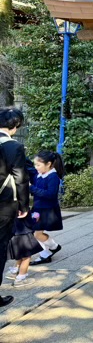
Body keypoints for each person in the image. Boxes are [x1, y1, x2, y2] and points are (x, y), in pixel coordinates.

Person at [0, 108, 31, 307]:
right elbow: (20, 177)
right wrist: (24, 205)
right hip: (3, 206)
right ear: (16, 126)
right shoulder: (14, 146)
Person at [28, 151, 64, 266]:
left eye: (38, 165)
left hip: (47, 210)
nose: (36, 167)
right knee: (35, 232)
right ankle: (52, 248)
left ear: (48, 164)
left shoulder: (53, 176)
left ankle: (49, 251)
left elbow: (50, 194)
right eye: (35, 165)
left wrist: (31, 188)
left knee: (37, 234)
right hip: (39, 208)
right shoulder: (39, 174)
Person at [6, 212, 42, 287]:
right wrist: (35, 218)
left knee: (20, 255)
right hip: (23, 234)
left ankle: (14, 271)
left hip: (12, 234)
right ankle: (20, 279)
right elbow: (29, 223)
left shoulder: (8, 206)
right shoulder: (22, 208)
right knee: (26, 257)